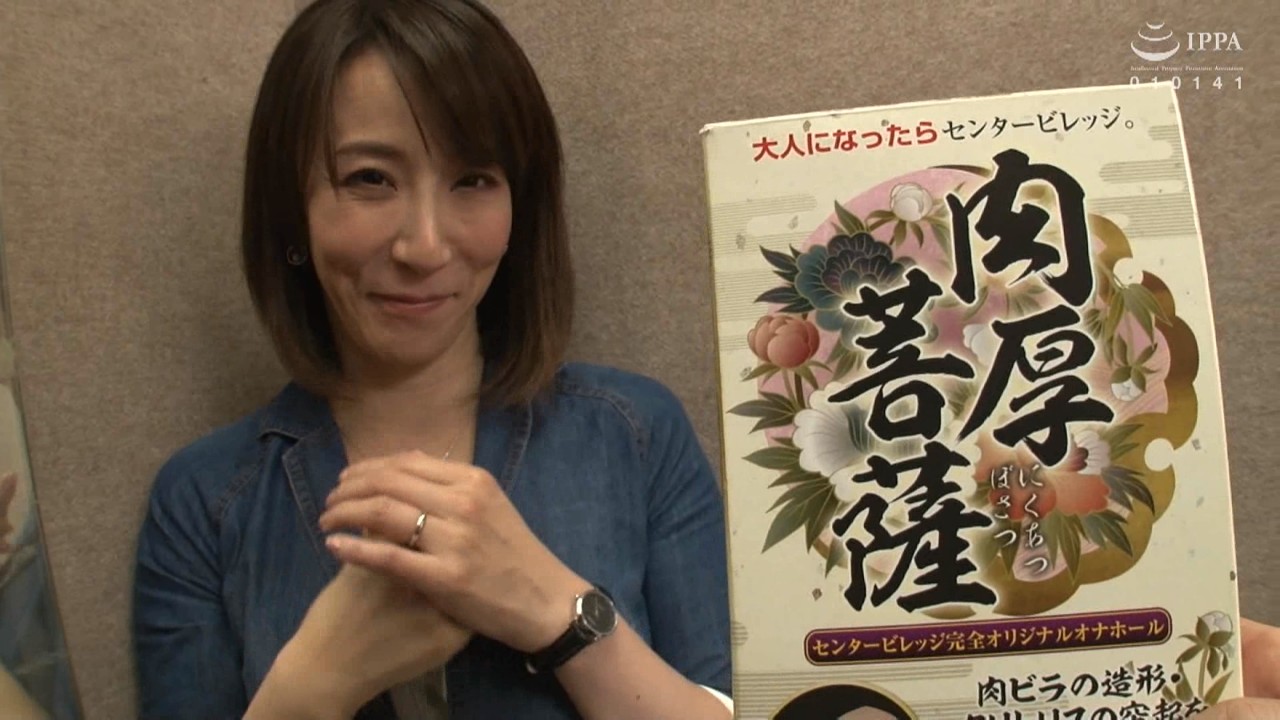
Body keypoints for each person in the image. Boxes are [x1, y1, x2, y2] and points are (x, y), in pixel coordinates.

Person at [130, 1, 732, 718]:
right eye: (370, 179)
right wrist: (316, 682)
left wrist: (556, 611)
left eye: (472, 180)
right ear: (291, 209)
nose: (425, 246)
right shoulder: (205, 501)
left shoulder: (632, 435)